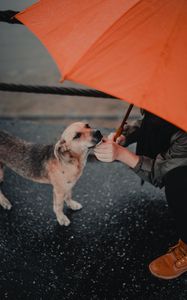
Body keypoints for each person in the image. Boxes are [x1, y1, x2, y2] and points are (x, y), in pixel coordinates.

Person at [94, 110, 187, 280]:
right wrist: (125, 135)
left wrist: (121, 154)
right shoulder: (170, 102)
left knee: (178, 180)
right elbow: (149, 122)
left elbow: (160, 172)